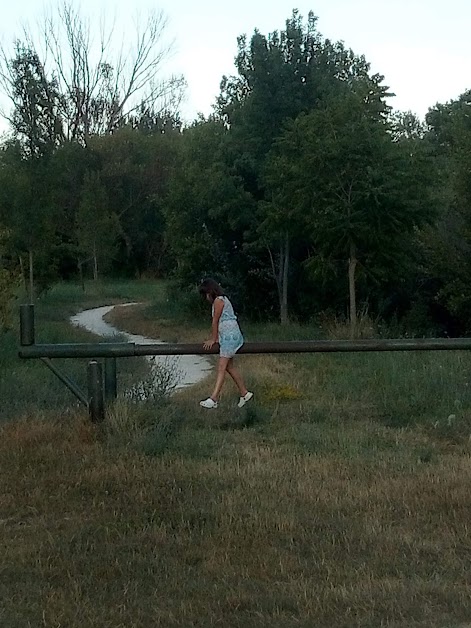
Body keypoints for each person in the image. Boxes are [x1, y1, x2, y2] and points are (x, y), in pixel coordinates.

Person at [198, 278, 253, 409]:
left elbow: (215, 321)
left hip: (229, 337)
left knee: (221, 367)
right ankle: (244, 393)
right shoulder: (223, 300)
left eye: (205, 294)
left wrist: (213, 339)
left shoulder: (218, 301)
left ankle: (214, 398)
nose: (206, 298)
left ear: (210, 292)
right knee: (229, 367)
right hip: (230, 335)